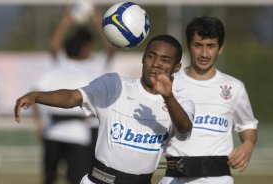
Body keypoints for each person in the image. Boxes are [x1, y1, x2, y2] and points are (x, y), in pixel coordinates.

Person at [15, 34, 194, 184]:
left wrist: (167, 97)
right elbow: (73, 97)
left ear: (176, 67)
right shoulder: (114, 85)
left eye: (165, 60)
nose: (156, 63)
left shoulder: (180, 103)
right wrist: (37, 96)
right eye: (151, 56)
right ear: (143, 58)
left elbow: (184, 129)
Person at [159, 16, 258, 184]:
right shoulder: (168, 85)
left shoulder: (234, 87)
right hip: (174, 178)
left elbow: (247, 124)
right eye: (198, 45)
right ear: (188, 46)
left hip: (219, 179)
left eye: (211, 46)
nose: (204, 53)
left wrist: (248, 145)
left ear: (220, 49)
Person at [32, 2, 115, 184]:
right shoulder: (62, 63)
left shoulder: (94, 65)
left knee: (78, 178)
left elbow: (111, 48)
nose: (92, 49)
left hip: (80, 131)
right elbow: (53, 46)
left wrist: (97, 21)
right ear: (84, 46)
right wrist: (66, 20)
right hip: (53, 130)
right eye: (90, 46)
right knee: (49, 178)